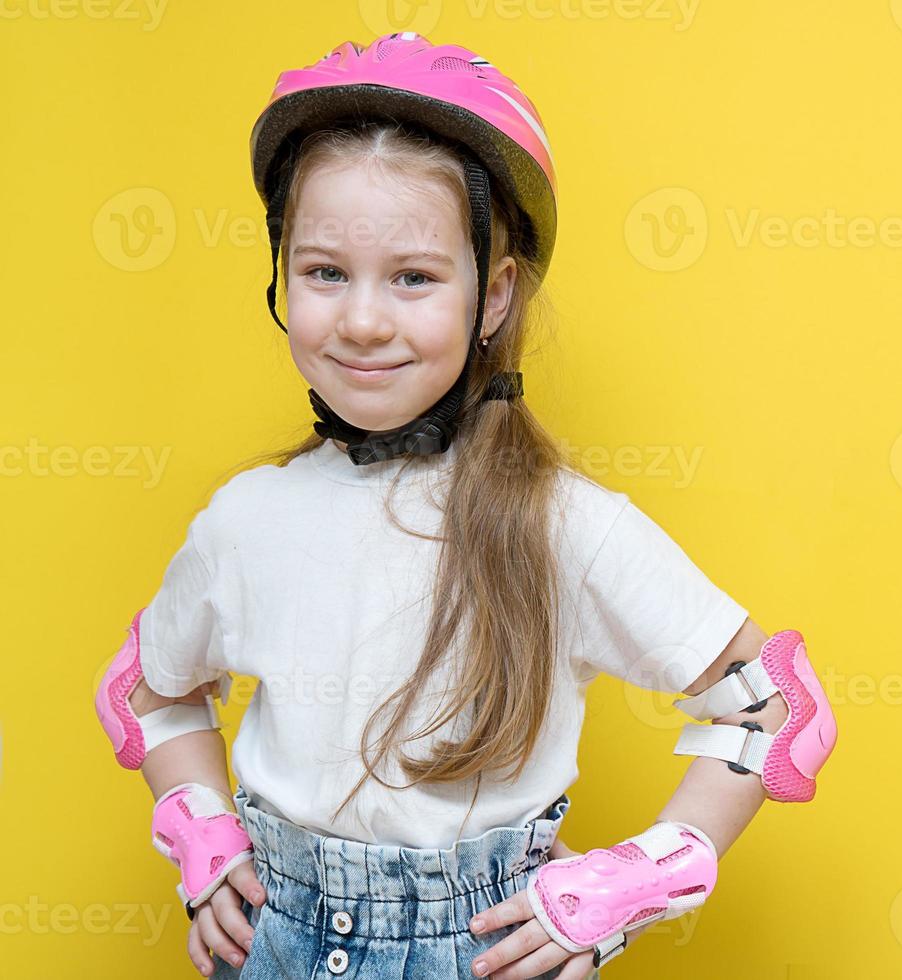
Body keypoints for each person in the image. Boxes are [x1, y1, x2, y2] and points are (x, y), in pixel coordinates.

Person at [92, 31, 837, 980]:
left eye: (414, 277)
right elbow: (146, 689)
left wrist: (636, 881)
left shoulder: (559, 525)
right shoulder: (244, 520)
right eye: (324, 272)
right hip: (276, 940)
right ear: (281, 274)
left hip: (480, 954)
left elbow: (777, 709)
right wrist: (204, 840)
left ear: (494, 296)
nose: (362, 320)